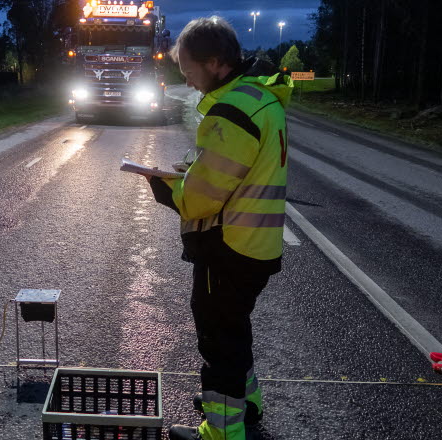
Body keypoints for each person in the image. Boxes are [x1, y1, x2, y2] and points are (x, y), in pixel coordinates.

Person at [142, 17, 292, 440]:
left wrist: (165, 186)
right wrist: (193, 170)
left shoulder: (230, 111)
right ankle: (246, 402)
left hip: (228, 247)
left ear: (214, 62)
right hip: (256, 245)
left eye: (189, 70)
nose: (187, 81)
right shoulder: (259, 99)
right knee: (234, 327)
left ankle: (222, 430)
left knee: (218, 338)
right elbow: (237, 172)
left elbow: (203, 199)